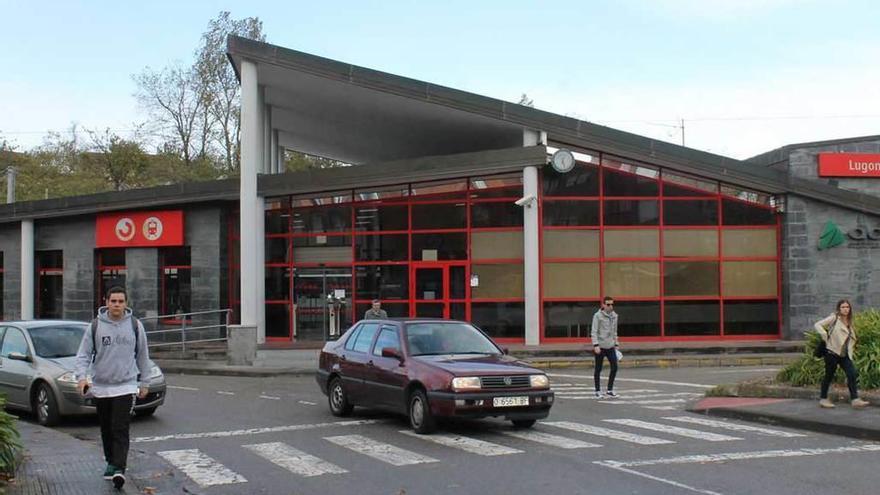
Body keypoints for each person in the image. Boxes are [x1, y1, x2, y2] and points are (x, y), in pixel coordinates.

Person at [75, 286, 150, 489]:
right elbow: (83, 355)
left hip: (125, 385)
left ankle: (119, 469)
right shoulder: (95, 326)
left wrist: (145, 382)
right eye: (113, 301)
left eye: (120, 301)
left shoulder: (135, 325)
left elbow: (143, 355)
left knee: (120, 427)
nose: (117, 305)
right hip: (101, 386)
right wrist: (82, 378)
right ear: (106, 302)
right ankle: (110, 461)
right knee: (106, 427)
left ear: (126, 303)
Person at [814, 299, 869, 409]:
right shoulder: (834, 318)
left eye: (847, 307)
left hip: (844, 354)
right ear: (839, 308)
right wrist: (825, 336)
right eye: (843, 307)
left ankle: (855, 399)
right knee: (829, 376)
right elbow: (817, 324)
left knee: (852, 374)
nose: (845, 309)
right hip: (832, 353)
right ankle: (823, 399)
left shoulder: (849, 321)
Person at [591, 296, 620, 398]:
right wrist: (596, 345)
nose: (610, 306)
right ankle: (598, 390)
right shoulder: (597, 316)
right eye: (608, 304)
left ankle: (610, 389)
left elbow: (615, 331)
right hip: (600, 346)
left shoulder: (614, 316)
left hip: (610, 346)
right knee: (598, 369)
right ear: (603, 305)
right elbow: (594, 332)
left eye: (612, 304)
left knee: (615, 367)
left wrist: (616, 343)